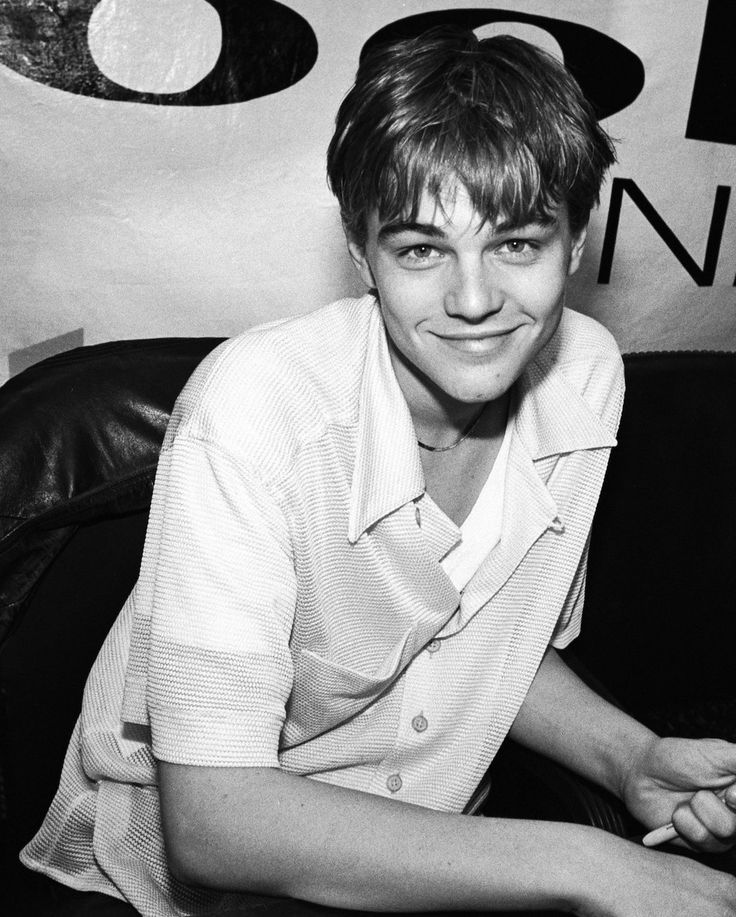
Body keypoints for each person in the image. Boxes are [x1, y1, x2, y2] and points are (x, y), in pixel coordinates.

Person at [20, 26, 736, 917]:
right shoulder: (253, 410)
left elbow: (481, 648)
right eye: (422, 249)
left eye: (516, 244)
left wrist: (629, 758)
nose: (475, 302)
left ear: (578, 240)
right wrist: (595, 863)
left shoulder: (586, 374)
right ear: (362, 252)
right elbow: (214, 825)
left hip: (446, 848)